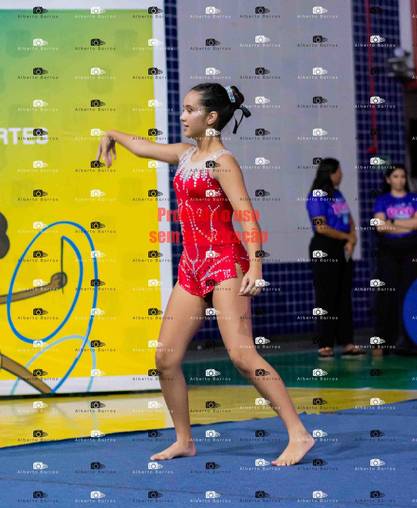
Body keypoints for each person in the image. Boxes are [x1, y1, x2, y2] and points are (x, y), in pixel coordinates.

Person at [96, 82, 315, 465]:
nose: (182, 116)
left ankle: (299, 434)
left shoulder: (223, 162)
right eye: (182, 109)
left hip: (225, 263)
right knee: (165, 357)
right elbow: (144, 147)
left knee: (242, 355)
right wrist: (112, 134)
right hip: (192, 266)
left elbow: (246, 215)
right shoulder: (184, 155)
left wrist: (256, 266)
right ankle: (184, 440)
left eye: (189, 110)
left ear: (211, 117)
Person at [306, 158, 366, 358]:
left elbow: (350, 220)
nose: (342, 174)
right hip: (325, 247)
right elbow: (321, 227)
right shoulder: (317, 196)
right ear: (331, 173)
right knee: (326, 295)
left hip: (343, 247)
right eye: (339, 171)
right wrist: (346, 237)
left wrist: (352, 238)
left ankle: (347, 342)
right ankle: (325, 344)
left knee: (344, 295)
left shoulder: (338, 194)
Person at [372, 164, 417, 356]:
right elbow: (380, 227)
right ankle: (384, 341)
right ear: (388, 179)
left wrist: (394, 222)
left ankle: (409, 341)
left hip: (411, 251)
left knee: (409, 296)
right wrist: (407, 225)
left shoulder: (413, 198)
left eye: (403, 176)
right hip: (388, 252)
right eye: (396, 176)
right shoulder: (382, 200)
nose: (400, 180)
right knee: (387, 295)